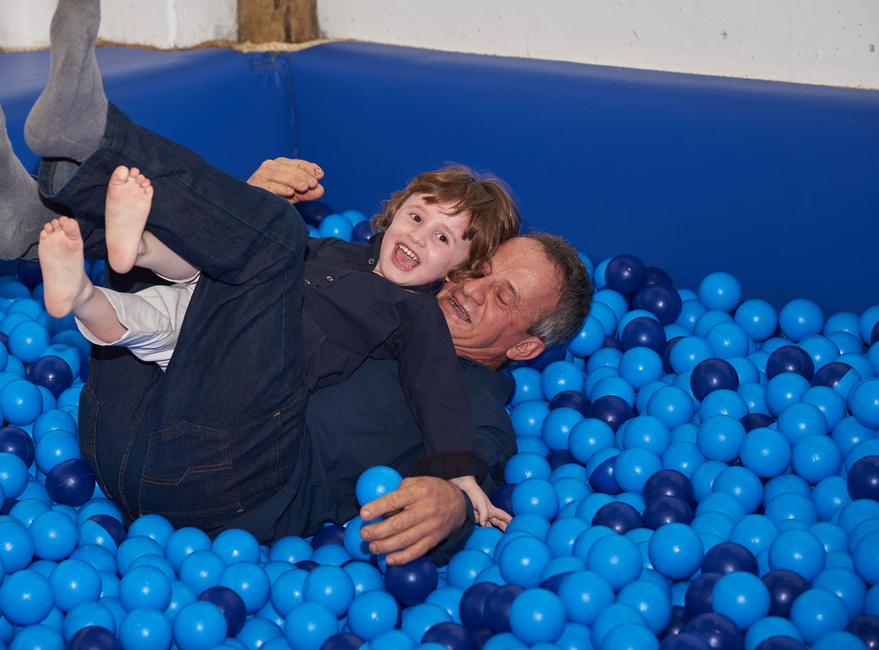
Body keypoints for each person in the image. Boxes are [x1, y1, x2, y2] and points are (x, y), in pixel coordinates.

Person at [0, 0, 593, 563]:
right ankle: (33, 227)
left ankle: (92, 140)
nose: (470, 289)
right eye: (478, 271)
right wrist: (237, 209)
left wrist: (453, 504)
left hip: (225, 488)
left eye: (500, 293)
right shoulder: (346, 264)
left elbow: (471, 471)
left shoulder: (478, 404)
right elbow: (230, 276)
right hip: (121, 425)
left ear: (528, 344)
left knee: (276, 241)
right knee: (224, 245)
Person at [37, 155, 521, 524]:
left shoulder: (416, 315)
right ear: (393, 215)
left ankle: (123, 243)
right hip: (214, 317)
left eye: (442, 239)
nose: (419, 238)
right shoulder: (335, 250)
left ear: (457, 269)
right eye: (417, 219)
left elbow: (437, 390)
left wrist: (457, 473)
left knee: (255, 246)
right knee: (154, 314)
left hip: (260, 369)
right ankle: (101, 274)